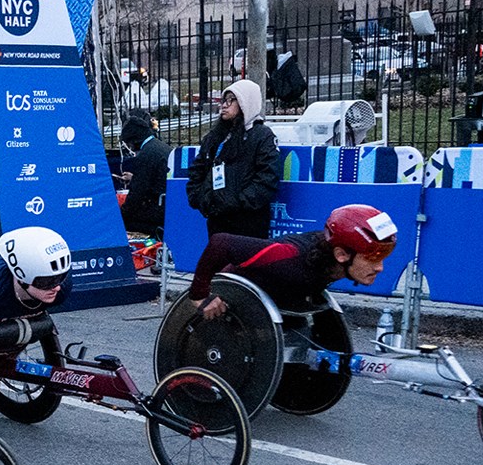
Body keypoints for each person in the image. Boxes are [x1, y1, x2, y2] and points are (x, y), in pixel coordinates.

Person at [189, 203, 399, 319]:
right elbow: (221, 243)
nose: (380, 267)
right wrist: (200, 294)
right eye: (373, 257)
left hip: (275, 301)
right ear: (341, 254)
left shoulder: (332, 256)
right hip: (230, 300)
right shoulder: (291, 255)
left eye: (383, 257)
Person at [187, 78, 280, 240]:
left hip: (248, 224)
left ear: (246, 103)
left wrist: (237, 202)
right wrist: (200, 197)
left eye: (231, 100)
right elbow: (197, 169)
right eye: (224, 100)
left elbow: (267, 179)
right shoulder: (215, 136)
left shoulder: (262, 136)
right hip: (217, 219)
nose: (224, 105)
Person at [119, 116, 170, 236]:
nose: (129, 147)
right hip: (167, 205)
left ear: (134, 140)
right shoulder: (162, 147)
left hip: (157, 211)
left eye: (128, 143)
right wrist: (134, 178)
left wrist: (121, 215)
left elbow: (136, 194)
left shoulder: (145, 155)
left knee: (126, 221)